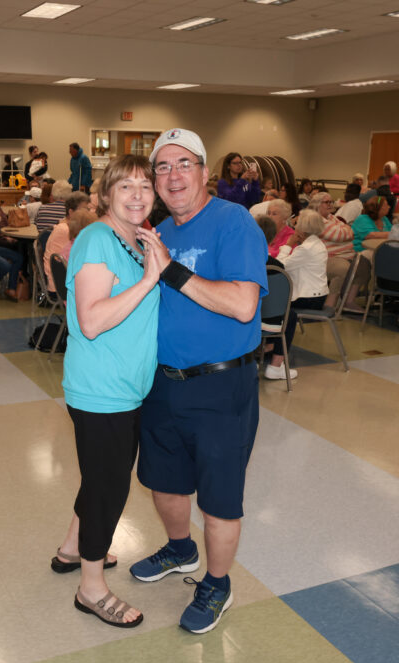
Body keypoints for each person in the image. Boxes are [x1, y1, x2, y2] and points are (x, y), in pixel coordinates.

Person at [130, 128, 267, 635]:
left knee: (218, 497)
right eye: (162, 167)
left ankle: (217, 583)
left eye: (183, 163)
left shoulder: (233, 224)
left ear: (205, 172)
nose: (173, 175)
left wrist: (171, 272)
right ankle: (179, 549)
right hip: (162, 385)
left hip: (219, 387)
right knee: (163, 482)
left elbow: (242, 305)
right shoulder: (161, 229)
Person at [52, 154, 163, 629]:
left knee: (100, 475)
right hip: (102, 389)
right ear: (106, 195)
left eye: (145, 187)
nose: (137, 195)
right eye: (126, 187)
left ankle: (72, 549)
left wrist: (154, 262)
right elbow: (92, 320)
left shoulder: (135, 239)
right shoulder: (98, 239)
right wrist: (152, 278)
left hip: (126, 386)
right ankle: (91, 589)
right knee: (110, 489)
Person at [263, 209, 329, 381]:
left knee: (281, 311)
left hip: (309, 298)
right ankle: (271, 348)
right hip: (317, 295)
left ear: (303, 229)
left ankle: (273, 354)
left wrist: (287, 244)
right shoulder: (317, 244)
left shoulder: (305, 249)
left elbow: (280, 266)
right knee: (278, 307)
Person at [311, 192, 367, 312]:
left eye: (331, 202)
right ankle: (330, 304)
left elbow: (350, 232)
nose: (331, 204)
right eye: (327, 202)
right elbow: (339, 235)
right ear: (317, 204)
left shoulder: (331, 217)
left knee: (364, 265)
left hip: (345, 255)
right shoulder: (316, 219)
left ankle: (349, 302)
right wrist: (344, 231)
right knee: (342, 269)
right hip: (326, 257)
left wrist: (344, 231)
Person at [43, 193, 91, 291]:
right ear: (71, 212)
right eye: (84, 210)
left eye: (88, 210)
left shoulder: (66, 226)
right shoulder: (66, 230)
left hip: (65, 278)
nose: (88, 213)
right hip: (60, 283)